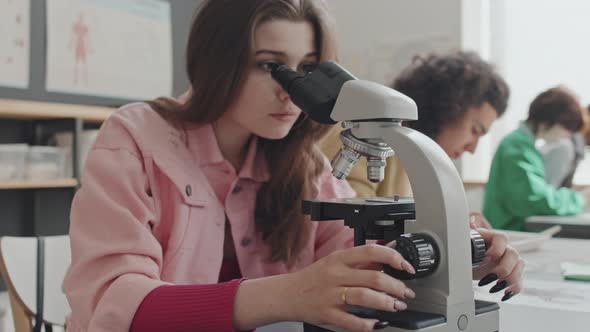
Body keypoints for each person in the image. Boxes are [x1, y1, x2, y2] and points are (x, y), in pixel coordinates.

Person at [63, 1, 523, 331]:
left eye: (307, 70)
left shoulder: (300, 160)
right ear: (216, 64)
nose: (291, 92)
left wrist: (458, 254)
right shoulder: (135, 139)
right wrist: (288, 293)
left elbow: (353, 249)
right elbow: (116, 308)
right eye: (270, 66)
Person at [320, 51, 509, 229]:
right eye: (474, 130)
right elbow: (346, 229)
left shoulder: (417, 157)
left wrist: (456, 223)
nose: (472, 148)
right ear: (449, 107)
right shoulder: (363, 135)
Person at [483, 86, 590, 231]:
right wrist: (579, 199)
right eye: (567, 130)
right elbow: (534, 200)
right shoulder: (517, 146)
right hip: (509, 231)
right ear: (550, 122)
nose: (567, 137)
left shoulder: (524, 145)